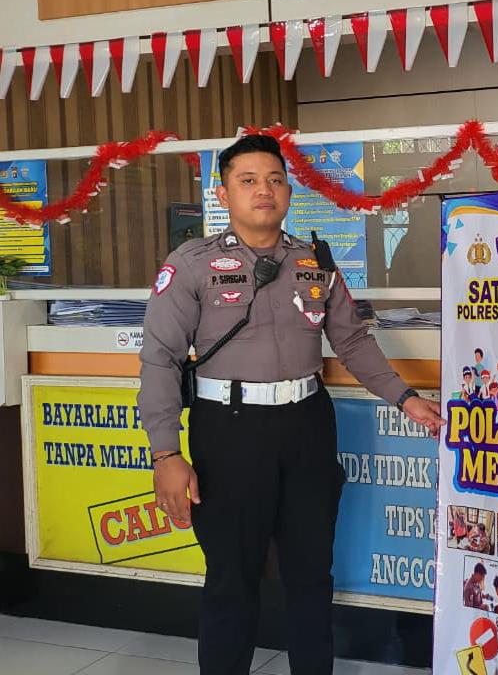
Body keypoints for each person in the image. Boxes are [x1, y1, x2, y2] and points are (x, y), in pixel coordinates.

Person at [138, 134, 444, 675]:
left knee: (310, 576)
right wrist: (166, 454)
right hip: (228, 433)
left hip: (306, 426)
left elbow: (351, 340)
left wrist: (404, 397)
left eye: (275, 180)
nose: (265, 190)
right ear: (223, 193)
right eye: (248, 180)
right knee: (231, 579)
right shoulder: (191, 264)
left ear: (288, 191)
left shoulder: (314, 261)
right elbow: (160, 359)